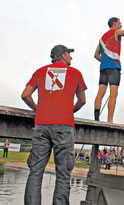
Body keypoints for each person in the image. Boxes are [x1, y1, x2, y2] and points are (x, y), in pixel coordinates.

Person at [21, 44, 87, 205]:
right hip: (64, 126)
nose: (71, 57)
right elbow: (83, 100)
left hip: (42, 125)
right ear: (63, 55)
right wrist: (69, 111)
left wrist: (39, 109)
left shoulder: (40, 72)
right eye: (69, 54)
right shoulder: (76, 73)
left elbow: (25, 95)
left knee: (35, 172)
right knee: (63, 174)